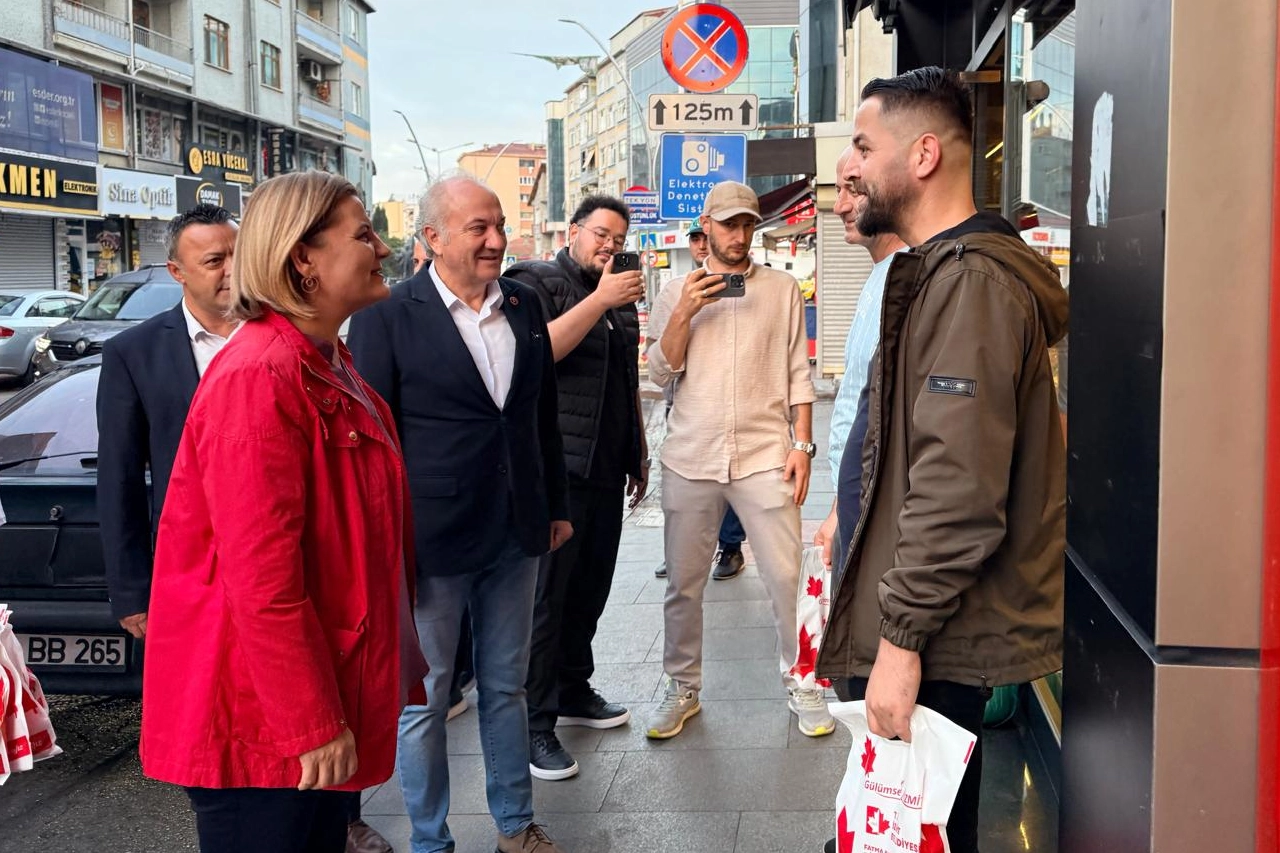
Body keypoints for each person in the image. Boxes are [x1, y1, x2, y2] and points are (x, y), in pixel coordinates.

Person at [814, 68, 1068, 853]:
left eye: (863, 145)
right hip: (917, 620)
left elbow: (958, 489)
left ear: (922, 155)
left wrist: (899, 645)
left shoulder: (972, 282)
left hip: (931, 636)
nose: (849, 166)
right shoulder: (940, 273)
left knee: (914, 832)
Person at [139, 171, 427, 853]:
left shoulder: (323, 364)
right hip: (262, 725)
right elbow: (260, 578)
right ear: (303, 258)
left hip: (303, 707)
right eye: (362, 234)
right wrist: (311, 721)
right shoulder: (260, 377)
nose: (382, 248)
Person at [348, 175, 572, 853]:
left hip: (516, 531)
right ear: (433, 238)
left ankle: (513, 824)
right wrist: (386, 541)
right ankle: (429, 839)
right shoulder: (389, 315)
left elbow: (540, 416)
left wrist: (555, 505)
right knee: (424, 699)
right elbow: (371, 440)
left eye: (499, 224)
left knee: (506, 685)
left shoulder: (524, 306)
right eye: (479, 228)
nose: (497, 240)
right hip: (430, 540)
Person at [645, 181, 829, 741]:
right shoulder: (675, 290)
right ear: (706, 229)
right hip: (690, 456)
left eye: (748, 223)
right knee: (684, 582)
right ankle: (683, 688)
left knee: (786, 575)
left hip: (764, 453)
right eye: (729, 224)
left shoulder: (780, 290)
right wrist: (684, 312)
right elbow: (658, 373)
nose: (740, 235)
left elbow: (800, 371)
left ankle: (804, 680)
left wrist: (802, 446)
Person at [504, 195, 647, 782]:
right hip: (559, 472)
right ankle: (535, 722)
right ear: (574, 232)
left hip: (607, 467)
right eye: (600, 235)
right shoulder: (538, 282)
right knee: (547, 599)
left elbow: (627, 377)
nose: (609, 246)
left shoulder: (620, 297)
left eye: (617, 237)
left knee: (591, 587)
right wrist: (599, 300)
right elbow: (538, 354)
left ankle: (572, 687)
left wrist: (638, 451)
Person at [97, 203, 238, 642]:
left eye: (239, 254)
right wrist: (132, 592)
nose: (233, 270)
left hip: (285, 562)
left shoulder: (284, 335)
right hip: (189, 567)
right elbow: (119, 479)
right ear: (177, 272)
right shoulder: (133, 353)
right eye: (215, 261)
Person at [812, 146, 907, 574]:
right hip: (859, 504)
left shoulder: (908, 278)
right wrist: (839, 506)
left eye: (854, 188)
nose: (840, 206)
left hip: (882, 516)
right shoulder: (881, 274)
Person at [654, 220, 748, 583]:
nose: (699, 245)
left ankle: (730, 546)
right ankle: (681, 551)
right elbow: (660, 360)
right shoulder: (677, 290)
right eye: (693, 239)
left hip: (736, 408)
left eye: (702, 237)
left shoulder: (751, 287)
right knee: (685, 485)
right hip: (684, 404)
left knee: (731, 480)